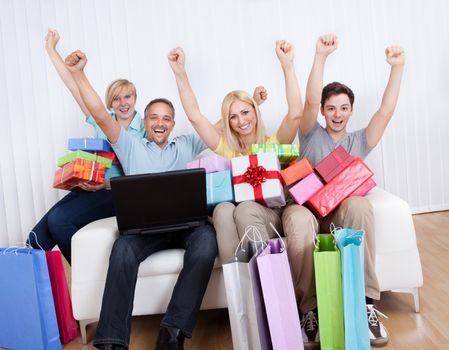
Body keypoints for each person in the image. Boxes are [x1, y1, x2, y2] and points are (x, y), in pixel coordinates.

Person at [65, 49, 219, 350]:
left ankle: (173, 332)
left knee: (207, 243)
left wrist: (180, 73)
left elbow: (219, 125)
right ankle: (111, 342)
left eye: (166, 118)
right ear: (144, 122)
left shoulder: (188, 143)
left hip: (188, 226)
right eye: (153, 118)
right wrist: (81, 74)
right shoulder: (129, 144)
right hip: (144, 231)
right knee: (122, 249)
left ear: (173, 124)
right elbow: (98, 112)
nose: (160, 123)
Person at [281, 34, 405, 348]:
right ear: (323, 111)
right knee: (295, 219)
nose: (337, 114)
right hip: (306, 211)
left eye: (344, 108)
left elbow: (385, 113)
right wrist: (320, 56)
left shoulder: (358, 142)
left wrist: (397, 68)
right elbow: (307, 101)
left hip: (339, 217)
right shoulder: (310, 134)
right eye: (331, 108)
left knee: (361, 205)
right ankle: (309, 311)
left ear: (351, 111)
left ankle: (366, 304)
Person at [168, 40, 303, 263]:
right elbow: (195, 117)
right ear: (228, 122)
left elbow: (296, 114)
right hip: (242, 219)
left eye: (245, 112)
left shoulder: (274, 144)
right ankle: (238, 286)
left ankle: (267, 280)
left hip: (270, 215)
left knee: (246, 210)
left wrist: (287, 65)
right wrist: (180, 73)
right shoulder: (227, 150)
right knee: (222, 211)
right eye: (233, 116)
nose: (241, 121)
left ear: (255, 111)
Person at [27, 29, 145, 263]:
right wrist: (52, 50)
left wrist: (104, 184)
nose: (123, 103)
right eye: (116, 98)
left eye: (127, 97)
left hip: (116, 193)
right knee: (35, 238)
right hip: (91, 188)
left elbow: (142, 178)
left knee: (59, 220)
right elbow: (73, 86)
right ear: (110, 102)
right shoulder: (103, 120)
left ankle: (90, 273)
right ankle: (42, 294)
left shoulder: (145, 131)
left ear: (135, 98)